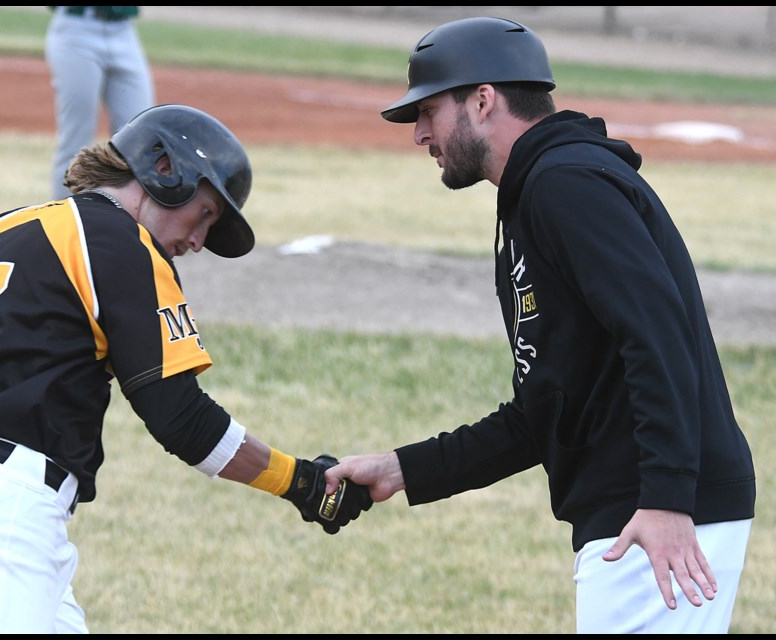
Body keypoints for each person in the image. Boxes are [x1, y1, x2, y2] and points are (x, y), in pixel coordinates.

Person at [323, 17, 755, 634]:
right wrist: (402, 470)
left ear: (482, 99)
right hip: (638, 506)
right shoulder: (537, 195)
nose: (419, 133)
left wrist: (664, 496)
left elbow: (660, 333)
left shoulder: (565, 185)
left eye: (428, 111)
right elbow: (547, 408)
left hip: (655, 513)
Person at [0, 104, 372, 633]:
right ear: (164, 170)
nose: (199, 240)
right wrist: (302, 483)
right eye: (204, 213)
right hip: (1, 525)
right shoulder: (121, 244)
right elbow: (182, 420)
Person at [45, 6, 155, 200]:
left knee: (140, 139)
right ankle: (63, 221)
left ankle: (129, 222)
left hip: (124, 31)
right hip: (76, 29)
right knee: (76, 139)